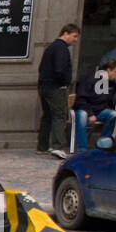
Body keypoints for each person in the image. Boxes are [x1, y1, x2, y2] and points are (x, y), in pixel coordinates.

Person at [37, 23, 80, 159]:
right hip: (56, 87)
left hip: (44, 86)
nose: (75, 40)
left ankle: (42, 146)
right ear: (65, 33)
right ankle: (57, 146)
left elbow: (41, 67)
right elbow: (60, 69)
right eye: (74, 36)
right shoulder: (61, 49)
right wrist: (64, 82)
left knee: (48, 116)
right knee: (60, 115)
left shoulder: (51, 47)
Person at [72, 59, 116, 150]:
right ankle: (82, 149)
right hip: (85, 109)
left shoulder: (112, 84)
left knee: (114, 115)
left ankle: (102, 145)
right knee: (82, 115)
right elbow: (80, 100)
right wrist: (90, 113)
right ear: (108, 70)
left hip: (100, 110)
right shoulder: (91, 80)